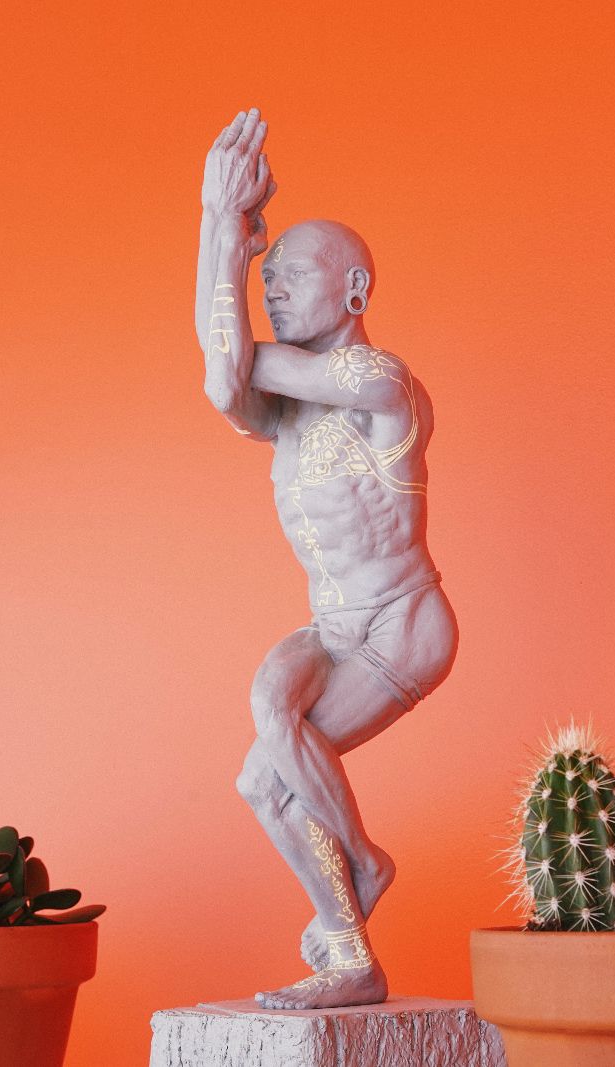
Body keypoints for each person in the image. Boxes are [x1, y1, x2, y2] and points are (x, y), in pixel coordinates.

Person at [197, 108, 458, 1010]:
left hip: (401, 623)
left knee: (275, 755)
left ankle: (354, 926)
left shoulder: (381, 381)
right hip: (332, 624)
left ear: (354, 289)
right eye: (265, 275)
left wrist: (226, 239)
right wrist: (217, 225)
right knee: (260, 766)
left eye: (291, 273)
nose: (272, 288)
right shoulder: (283, 412)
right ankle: (358, 909)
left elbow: (229, 368)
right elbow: (226, 378)